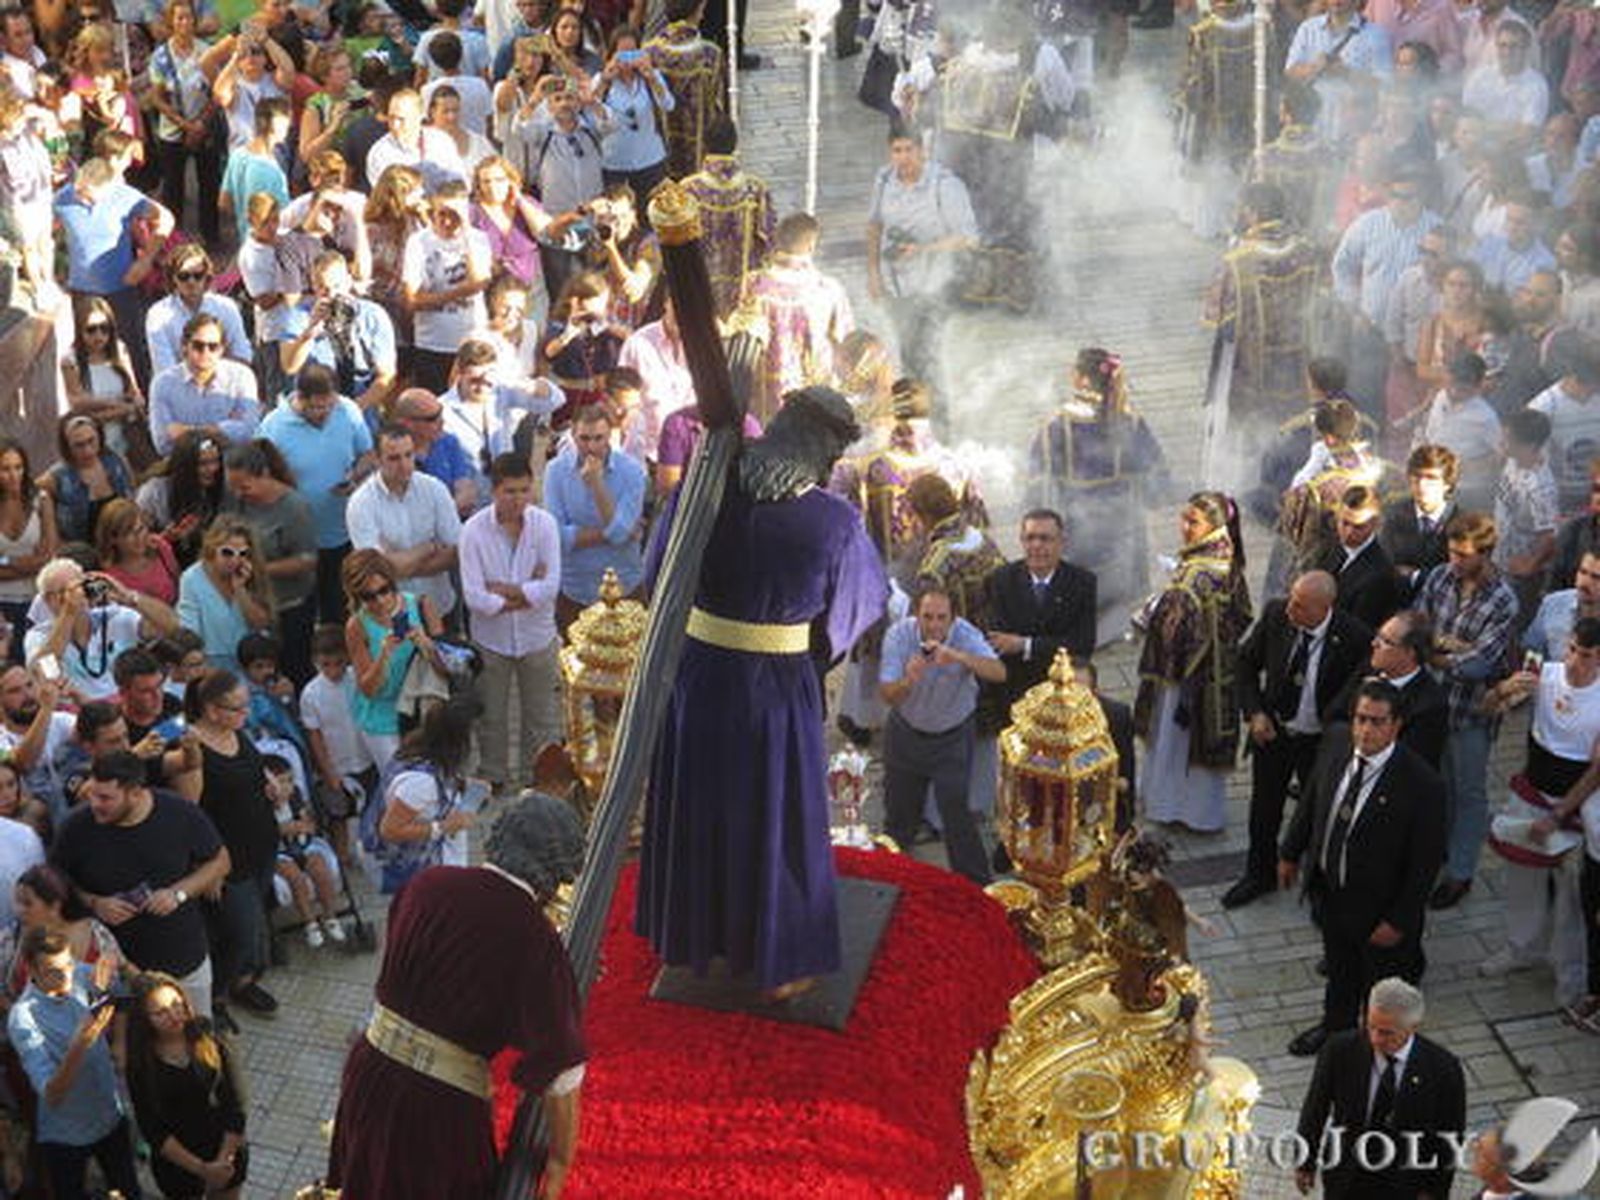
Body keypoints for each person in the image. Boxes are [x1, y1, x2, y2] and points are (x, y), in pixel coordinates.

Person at [636, 387, 887, 998]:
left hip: (699, 677)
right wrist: (809, 651)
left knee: (703, 809)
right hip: (775, 685)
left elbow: (655, 574)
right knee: (779, 817)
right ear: (821, 451)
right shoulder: (835, 521)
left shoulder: (702, 492)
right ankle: (781, 959)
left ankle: (704, 943)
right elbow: (854, 610)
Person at [329, 791, 588, 1199]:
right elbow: (562, 1068)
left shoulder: (429, 883)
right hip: (437, 1108)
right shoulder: (535, 939)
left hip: (368, 1069)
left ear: (497, 839)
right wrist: (559, 1161)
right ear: (557, 871)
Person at [1279, 683, 1447, 1057]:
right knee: (1339, 972)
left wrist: (1399, 920)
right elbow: (1312, 801)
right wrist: (1290, 853)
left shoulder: (1422, 785)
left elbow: (1425, 864)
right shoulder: (1337, 743)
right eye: (1360, 719)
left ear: (1396, 725)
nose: (1365, 730)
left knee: (1379, 991)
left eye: (1376, 722)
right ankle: (1335, 1032)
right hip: (1331, 892)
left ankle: (1372, 1051)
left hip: (1379, 912)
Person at [1223, 570, 1371, 910]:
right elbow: (1244, 663)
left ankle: (1318, 888)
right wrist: (1255, 712)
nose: (1292, 609)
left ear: (1326, 608)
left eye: (1302, 606)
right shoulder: (1277, 615)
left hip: (1319, 743)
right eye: (1292, 599)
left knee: (1320, 814)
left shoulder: (1354, 638)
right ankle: (1258, 874)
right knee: (1264, 809)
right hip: (1275, 732)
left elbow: (1358, 691)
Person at [1475, 618, 1600, 1006]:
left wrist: (1561, 813)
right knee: (1522, 877)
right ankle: (1520, 948)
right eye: (1574, 650)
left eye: (1589, 656)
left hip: (1581, 807)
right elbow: (1488, 708)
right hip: (1532, 790)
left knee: (1571, 898)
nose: (1577, 661)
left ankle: (1570, 975)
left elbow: (1598, 770)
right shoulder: (1543, 674)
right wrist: (1502, 690)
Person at [51, 751, 230, 1018]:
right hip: (117, 970)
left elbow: (220, 861)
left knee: (197, 1033)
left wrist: (178, 893)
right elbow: (57, 881)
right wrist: (94, 902)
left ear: (135, 793)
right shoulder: (76, 827)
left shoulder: (179, 813)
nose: (94, 804)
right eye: (92, 794)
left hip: (182, 956)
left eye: (105, 798)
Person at [1025, 349, 1172, 644]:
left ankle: (1078, 627)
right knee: (1116, 575)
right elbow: (1156, 469)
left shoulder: (1058, 424)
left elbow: (1036, 476)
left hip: (1075, 522)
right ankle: (1114, 625)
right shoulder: (1128, 419)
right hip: (1122, 523)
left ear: (1080, 379)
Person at [1416, 512, 1520, 909]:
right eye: (1452, 552)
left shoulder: (1503, 600)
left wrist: (1439, 654)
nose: (1454, 561)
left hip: (1472, 712)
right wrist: (1447, 647)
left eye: (1463, 555)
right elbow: (1420, 629)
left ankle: (1461, 872)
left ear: (1485, 553)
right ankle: (1442, 850)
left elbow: (1478, 664)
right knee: (1439, 785)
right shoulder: (1440, 577)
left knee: (1470, 793)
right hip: (1432, 705)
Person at [1134, 492, 1253, 834]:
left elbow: (1173, 633)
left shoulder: (1196, 574)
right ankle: (1201, 813)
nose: (1185, 527)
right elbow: (1243, 614)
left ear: (1213, 526)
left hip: (1184, 679)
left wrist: (1155, 611)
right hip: (1218, 673)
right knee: (1197, 746)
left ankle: (1169, 806)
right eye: (1183, 518)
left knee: (1174, 743)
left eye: (1193, 522)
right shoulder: (1227, 557)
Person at [1294, 977, 1465, 1198]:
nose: (1375, 1038)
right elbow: (1315, 1108)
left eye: (1386, 1032)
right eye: (1370, 1025)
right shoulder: (1340, 1050)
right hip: (1346, 1175)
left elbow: (1450, 1135)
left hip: (1404, 1184)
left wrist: (1434, 1191)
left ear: (1412, 1027)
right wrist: (1304, 1162)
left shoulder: (1442, 1069)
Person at [6, 927, 143, 1200]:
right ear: (31, 969)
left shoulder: (81, 972)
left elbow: (121, 994)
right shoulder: (24, 1018)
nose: (67, 976)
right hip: (65, 1135)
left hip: (108, 1115)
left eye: (68, 963)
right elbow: (52, 1093)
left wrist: (120, 1041)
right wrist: (81, 1045)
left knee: (128, 1193)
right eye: (54, 971)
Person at [879, 584, 1002, 885]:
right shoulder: (898, 636)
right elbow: (887, 695)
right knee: (899, 814)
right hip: (906, 734)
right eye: (927, 617)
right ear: (916, 615)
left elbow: (999, 672)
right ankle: (889, 881)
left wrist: (960, 658)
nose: (933, 625)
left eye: (941, 618)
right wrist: (908, 680)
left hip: (952, 738)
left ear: (953, 619)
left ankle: (974, 886)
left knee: (957, 814)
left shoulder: (965, 634)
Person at [1201, 185, 1323, 486]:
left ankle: (1244, 481)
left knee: (1247, 425)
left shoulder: (1239, 258)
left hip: (1250, 362)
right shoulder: (1306, 250)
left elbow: (1220, 320)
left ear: (1252, 212)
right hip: (1297, 357)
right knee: (1288, 420)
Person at [460, 454, 562, 793]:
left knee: (542, 717)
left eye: (524, 491)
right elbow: (475, 597)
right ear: (494, 490)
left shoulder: (545, 524)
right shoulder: (473, 531)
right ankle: (494, 776)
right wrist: (525, 595)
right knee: (492, 716)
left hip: (538, 637)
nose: (518, 499)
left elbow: (551, 587)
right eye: (510, 492)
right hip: (491, 641)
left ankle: (541, 778)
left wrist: (504, 592)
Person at [260, 365, 376, 624]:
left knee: (341, 610)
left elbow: (368, 455)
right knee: (299, 616)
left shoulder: (347, 411)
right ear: (299, 398)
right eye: (315, 408)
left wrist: (354, 477)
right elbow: (260, 479)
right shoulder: (274, 426)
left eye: (328, 406)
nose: (323, 414)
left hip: (341, 533)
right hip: (297, 540)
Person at [865, 130, 978, 395]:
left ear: (922, 151)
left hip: (934, 286)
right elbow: (874, 226)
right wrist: (873, 273)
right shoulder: (884, 180)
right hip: (896, 286)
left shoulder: (946, 185)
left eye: (908, 150)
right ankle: (914, 424)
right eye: (897, 151)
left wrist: (923, 249)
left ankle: (940, 425)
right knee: (906, 354)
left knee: (930, 359)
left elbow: (969, 238)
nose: (903, 158)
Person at [125, 971, 247, 1199]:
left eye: (176, 1004)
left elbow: (236, 1105)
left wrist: (221, 1162)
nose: (173, 1016)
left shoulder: (209, 1037)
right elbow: (153, 1130)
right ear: (144, 1019)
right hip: (178, 1166)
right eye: (160, 1012)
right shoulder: (141, 1064)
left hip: (225, 1151)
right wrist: (202, 1169)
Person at [983, 509, 1098, 719]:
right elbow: (1000, 643)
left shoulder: (1082, 583)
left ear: (1061, 542)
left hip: (1064, 693)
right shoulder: (1001, 580)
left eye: (1045, 538)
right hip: (1017, 693)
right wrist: (1052, 644)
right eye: (1030, 538)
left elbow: (1083, 644)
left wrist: (1026, 644)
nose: (1036, 545)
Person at [742, 214, 855, 424]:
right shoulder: (828, 290)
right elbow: (846, 345)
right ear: (812, 246)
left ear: (776, 240)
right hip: (814, 400)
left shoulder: (752, 286)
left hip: (764, 400)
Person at [345, 426, 463, 626]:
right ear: (376, 458)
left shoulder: (434, 489)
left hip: (440, 607)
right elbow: (375, 571)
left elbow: (456, 553)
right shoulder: (361, 503)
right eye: (394, 458)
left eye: (409, 455)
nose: (405, 465)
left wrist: (400, 566)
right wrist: (430, 547)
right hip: (391, 617)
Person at [544, 404, 647, 630]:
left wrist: (597, 485)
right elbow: (557, 536)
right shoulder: (556, 471)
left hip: (624, 586)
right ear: (573, 435)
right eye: (584, 439)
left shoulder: (632, 471)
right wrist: (612, 532)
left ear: (610, 434)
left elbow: (619, 535)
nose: (591, 447)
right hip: (576, 589)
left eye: (599, 438)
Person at [341, 549, 448, 767]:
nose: (379, 601)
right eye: (368, 596)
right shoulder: (357, 625)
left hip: (421, 709)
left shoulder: (421, 605)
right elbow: (368, 689)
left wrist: (425, 644)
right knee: (399, 786)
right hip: (382, 719)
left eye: (384, 590)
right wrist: (384, 655)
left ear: (392, 583)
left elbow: (448, 668)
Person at [28, 558, 180, 702]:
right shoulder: (39, 636)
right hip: (76, 713)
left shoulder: (114, 617)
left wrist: (129, 597)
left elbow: (171, 626)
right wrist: (69, 613)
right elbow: (44, 667)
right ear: (48, 600)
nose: (77, 595)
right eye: (63, 591)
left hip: (126, 706)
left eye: (80, 586)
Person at [278, 251, 397, 419]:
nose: (332, 294)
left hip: (359, 401)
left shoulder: (373, 315)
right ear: (314, 286)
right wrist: (309, 333)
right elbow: (289, 366)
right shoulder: (298, 316)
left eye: (337, 286)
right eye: (324, 288)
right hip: (313, 405)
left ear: (348, 281)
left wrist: (356, 407)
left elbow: (387, 376)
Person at [403, 183, 493, 395]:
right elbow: (413, 300)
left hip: (470, 341)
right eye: (441, 214)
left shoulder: (478, 239)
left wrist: (466, 231)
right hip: (432, 343)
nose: (446, 221)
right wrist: (460, 293)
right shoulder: (419, 242)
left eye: (454, 215)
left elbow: (480, 280)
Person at [681, 116, 774, 320]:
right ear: (735, 144)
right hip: (742, 291)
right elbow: (768, 243)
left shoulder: (688, 189)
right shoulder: (755, 189)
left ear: (705, 144)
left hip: (701, 285)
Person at [146, 313, 261, 458]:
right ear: (184, 346)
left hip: (232, 464)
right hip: (184, 465)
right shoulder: (163, 383)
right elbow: (162, 444)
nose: (205, 352)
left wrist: (189, 432)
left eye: (213, 346)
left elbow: (249, 432)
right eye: (198, 346)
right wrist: (225, 430)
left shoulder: (242, 376)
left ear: (221, 349)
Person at [176, 520, 275, 673]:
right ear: (211, 548)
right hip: (210, 663)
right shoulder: (191, 578)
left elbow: (261, 624)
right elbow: (190, 631)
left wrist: (240, 589)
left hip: (253, 662)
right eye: (227, 552)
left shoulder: (250, 572)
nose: (235, 560)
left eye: (242, 553)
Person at [63, 299, 150, 466]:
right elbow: (78, 404)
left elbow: (135, 395)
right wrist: (117, 406)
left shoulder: (119, 350)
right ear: (79, 330)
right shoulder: (71, 360)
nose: (99, 336)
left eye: (104, 328)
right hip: (92, 446)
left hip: (127, 441)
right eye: (91, 330)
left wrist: (125, 407)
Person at [644, 0, 724, 178]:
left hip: (659, 153)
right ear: (698, 10)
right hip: (699, 154)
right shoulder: (711, 55)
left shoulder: (649, 53)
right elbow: (718, 106)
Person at [0, 438, 58, 663]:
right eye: (5, 469)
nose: (14, 475)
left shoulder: (41, 500)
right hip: (1, 603)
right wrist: (14, 561)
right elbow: (35, 562)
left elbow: (48, 558)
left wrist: (4, 563)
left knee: (44, 664)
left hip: (37, 600)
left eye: (18, 467)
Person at [39, 413, 135, 546]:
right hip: (84, 551)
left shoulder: (117, 462)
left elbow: (132, 498)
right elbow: (29, 495)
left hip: (123, 546)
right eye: (79, 445)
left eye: (91, 441)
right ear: (67, 446)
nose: (88, 451)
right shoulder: (57, 477)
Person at [1318, 485, 1402, 633]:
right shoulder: (1330, 548)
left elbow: (1358, 631)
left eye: (1358, 527)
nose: (1348, 533)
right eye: (1344, 523)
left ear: (1375, 524)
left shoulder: (1380, 574)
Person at [137, 432, 226, 570]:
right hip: (161, 563)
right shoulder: (153, 493)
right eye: (203, 464)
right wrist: (165, 538)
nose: (212, 469)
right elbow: (137, 543)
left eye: (215, 461)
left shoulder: (217, 487)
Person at [1381, 444, 1459, 600]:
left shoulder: (1461, 523)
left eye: (1431, 478)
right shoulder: (1393, 514)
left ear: (1447, 484)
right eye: (1416, 476)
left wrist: (1416, 575)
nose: (1421, 485)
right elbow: (1384, 566)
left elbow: (1457, 577)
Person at [96, 498, 180, 606]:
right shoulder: (111, 578)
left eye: (141, 529)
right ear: (113, 539)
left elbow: (178, 582)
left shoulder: (160, 547)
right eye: (128, 533)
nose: (139, 538)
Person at [1526, 547, 1600, 661]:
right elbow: (1532, 649)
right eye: (1582, 572)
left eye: (1596, 577)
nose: (1584, 582)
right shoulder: (1553, 604)